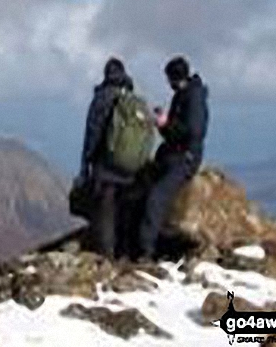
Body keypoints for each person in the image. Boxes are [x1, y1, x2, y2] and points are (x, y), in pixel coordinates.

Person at [139, 56, 209, 259]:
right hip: (177, 154)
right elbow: (180, 131)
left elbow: (193, 132)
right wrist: (165, 125)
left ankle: (147, 252)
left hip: (185, 158)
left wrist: (166, 124)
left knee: (156, 198)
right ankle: (146, 244)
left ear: (173, 77)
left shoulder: (193, 96)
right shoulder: (185, 94)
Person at [77, 57, 135, 257]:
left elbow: (92, 133)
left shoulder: (101, 97)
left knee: (106, 211)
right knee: (126, 210)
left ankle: (107, 256)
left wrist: (85, 166)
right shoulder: (131, 97)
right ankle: (127, 254)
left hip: (107, 166)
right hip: (131, 166)